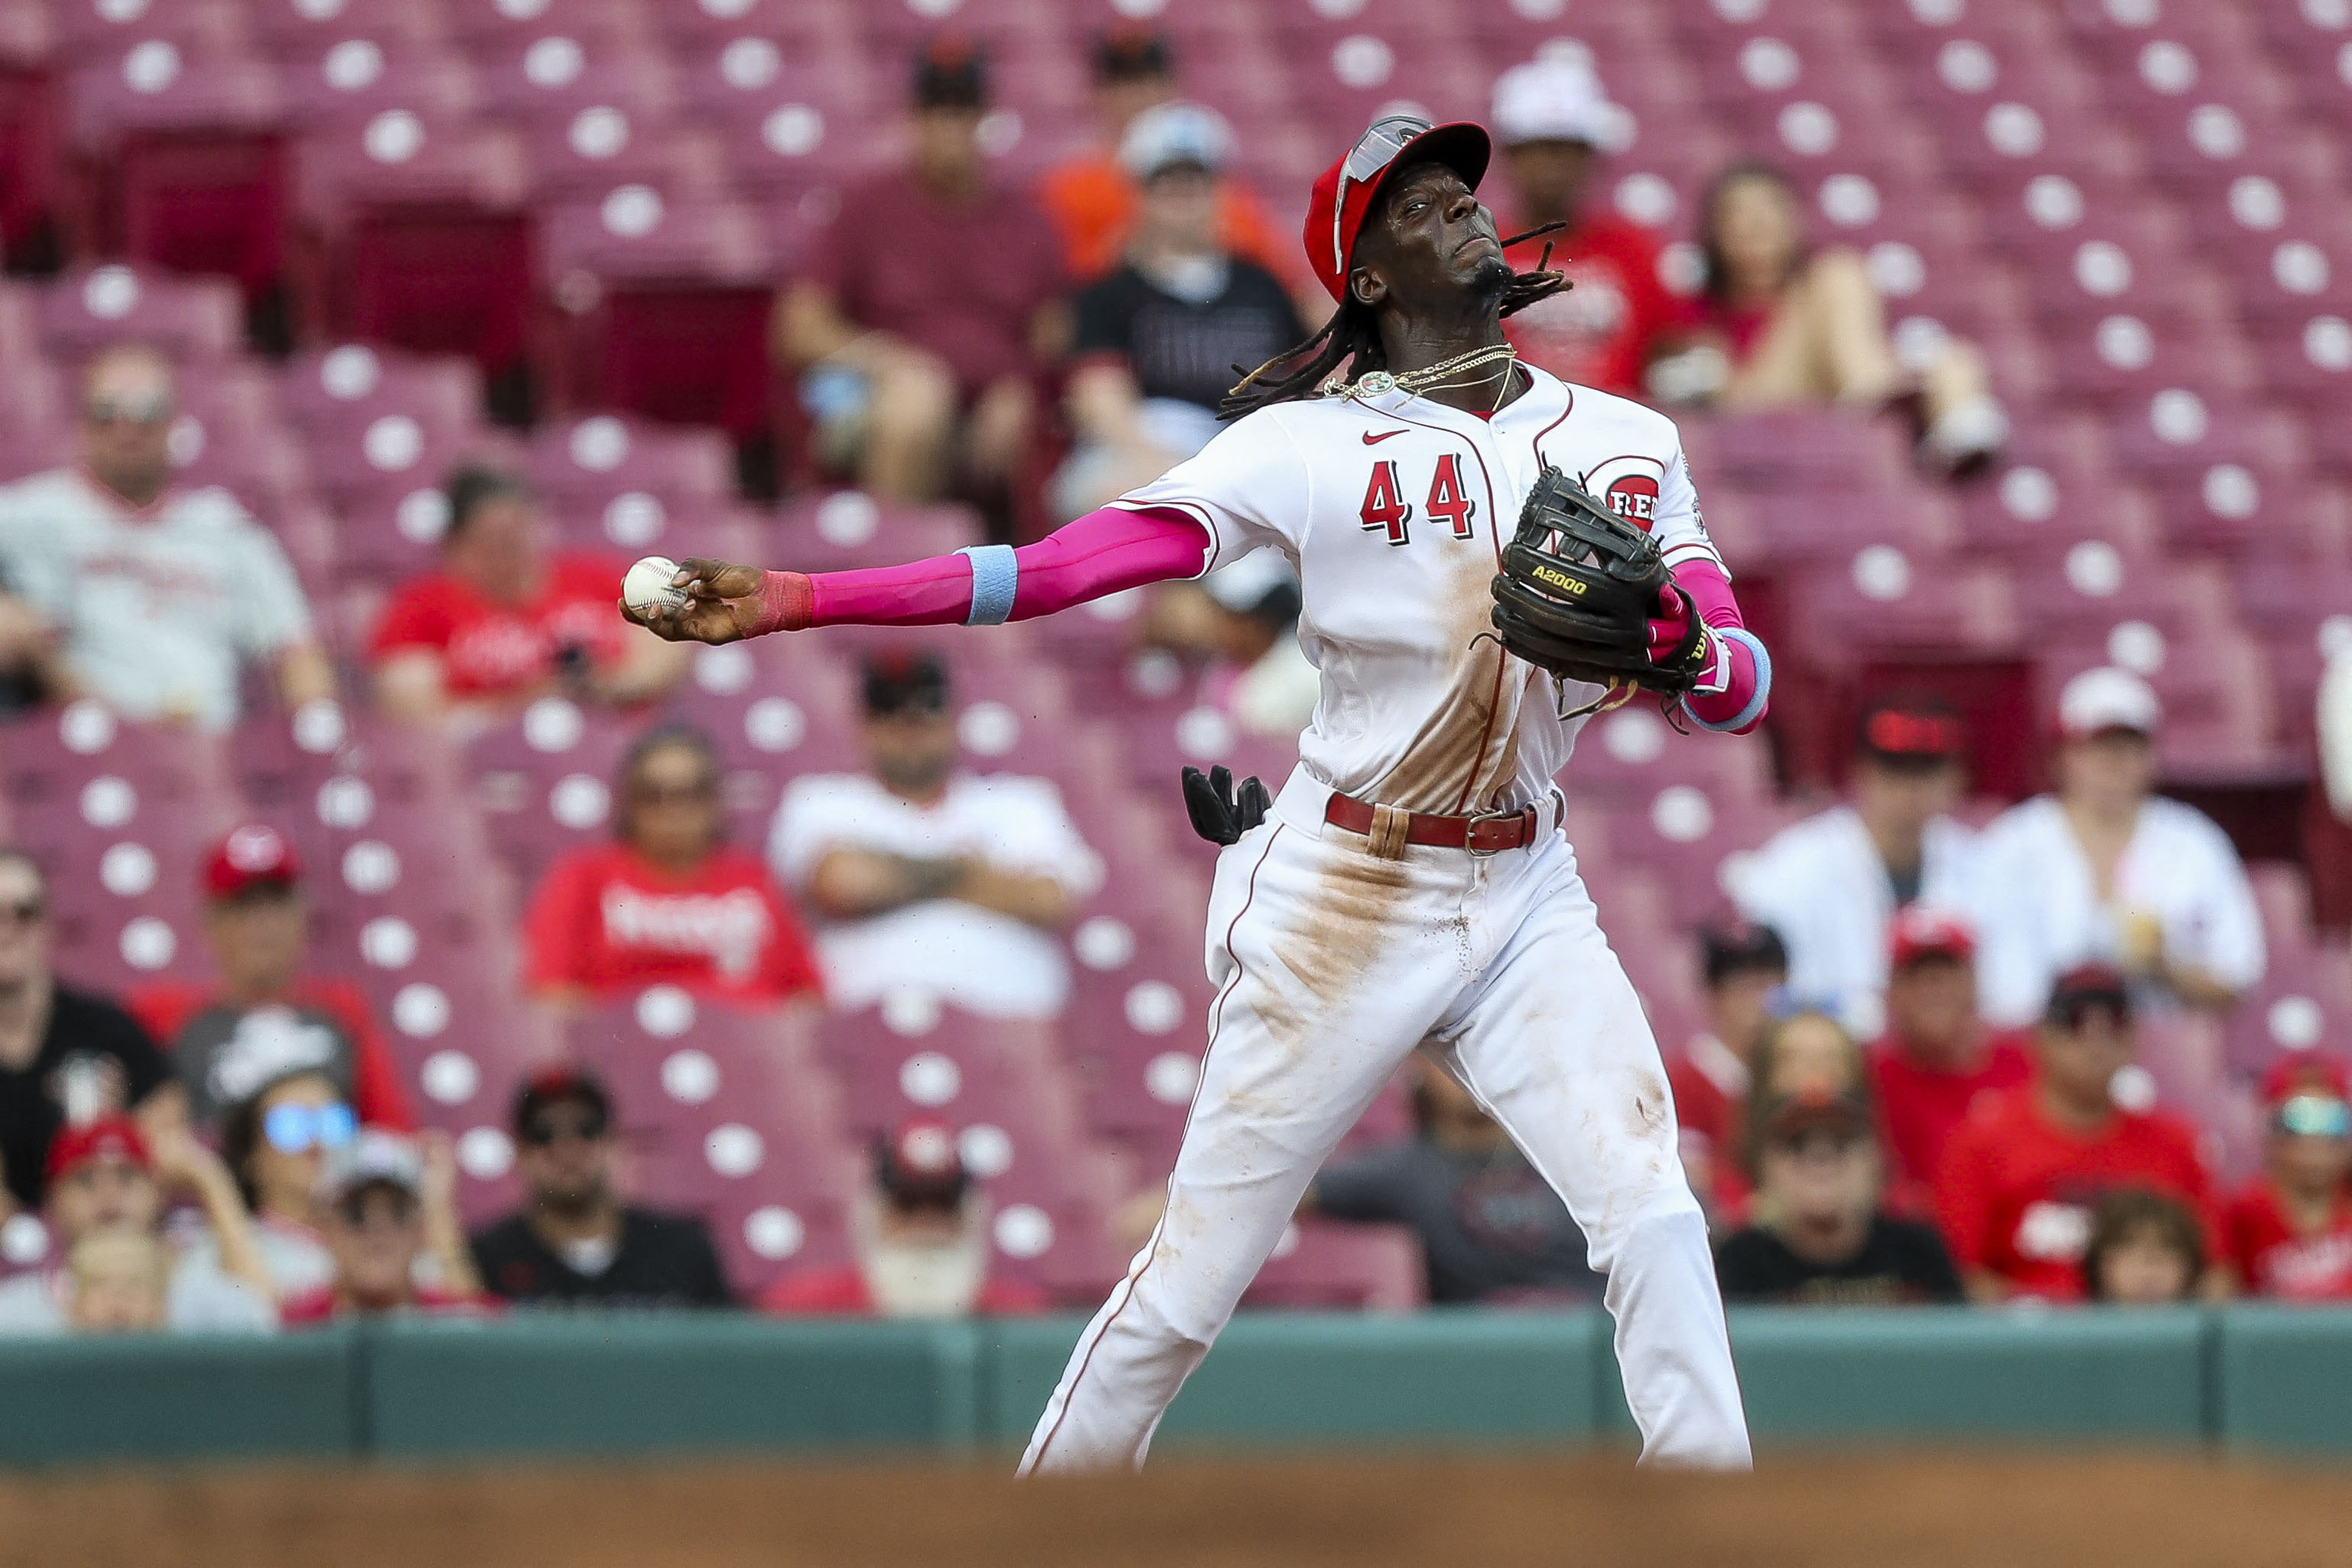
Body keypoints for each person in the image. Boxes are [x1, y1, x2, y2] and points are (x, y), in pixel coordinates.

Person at [629, 111, 1774, 1471]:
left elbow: (1738, 677)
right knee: (1186, 1291)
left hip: (1527, 884)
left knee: (1651, 1209)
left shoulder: (1627, 440)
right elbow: (1053, 570)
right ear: (1361, 277)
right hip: (1348, 888)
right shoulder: (1304, 445)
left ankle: (1709, 1522)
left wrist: (1678, 646)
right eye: (1410, 204)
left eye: (1456, 189)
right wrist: (800, 596)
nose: (1457, 208)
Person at [774, 37, 1067, 514]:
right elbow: (799, 328)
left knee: (1030, 430)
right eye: (936, 110)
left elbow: (1055, 336)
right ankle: (894, 576)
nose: (949, 126)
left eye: (962, 111)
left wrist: (1021, 387)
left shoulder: (1026, 220)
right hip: (879, 398)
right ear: (914, 117)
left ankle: (1014, 582)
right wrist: (889, 361)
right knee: (916, 406)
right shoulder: (868, 206)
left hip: (989, 405)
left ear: (982, 119)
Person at [0, 344, 335, 730]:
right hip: (85, 747)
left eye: (146, 411)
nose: (127, 428)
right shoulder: (29, 514)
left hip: (209, 754)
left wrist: (315, 736)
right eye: (107, 411)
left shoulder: (226, 530)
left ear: (173, 423)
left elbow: (296, 650)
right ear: (83, 422)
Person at [769, 651, 1099, 1020]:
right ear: (865, 724)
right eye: (890, 710)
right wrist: (970, 871)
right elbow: (844, 886)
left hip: (1012, 1022)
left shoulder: (1019, 802)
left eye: (928, 709)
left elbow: (1047, 899)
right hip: (868, 1029)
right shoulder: (821, 799)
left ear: (952, 718)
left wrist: (895, 874)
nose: (910, 727)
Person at [1052, 102, 1309, 521]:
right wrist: (1179, 473)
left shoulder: (1262, 284)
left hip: (1249, 448)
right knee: (1106, 491)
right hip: (1148, 449)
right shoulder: (1109, 291)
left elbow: (1312, 373)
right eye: (1167, 183)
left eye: (1196, 182)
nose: (1183, 198)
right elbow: (1098, 399)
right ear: (1139, 193)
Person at [1969, 668, 2265, 1027]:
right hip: (2035, 1046)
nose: (2113, 761)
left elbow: (2236, 976)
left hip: (2160, 1044)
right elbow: (1977, 972)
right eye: (2098, 747)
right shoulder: (2013, 842)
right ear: (2062, 756)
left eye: (2129, 747)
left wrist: (2164, 967)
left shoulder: (2193, 843)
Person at [1671, 162, 2007, 475]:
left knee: (1956, 362)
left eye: (1769, 211)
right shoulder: (1699, 311)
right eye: (1739, 214)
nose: (1757, 225)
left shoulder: (1812, 293)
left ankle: (1943, 434)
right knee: (1838, 273)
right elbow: (1723, 398)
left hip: (1832, 391)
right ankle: (1883, 400)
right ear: (1714, 232)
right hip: (1760, 407)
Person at [1935, 964, 2218, 1304]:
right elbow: (1958, 1276)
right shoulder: (1980, 1143)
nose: (2095, 1039)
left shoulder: (2177, 1143)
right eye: (2075, 1021)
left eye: (2112, 1023)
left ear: (2132, 1039)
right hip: (2025, 1344)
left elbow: (2217, 1273)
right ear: (2041, 1037)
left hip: (2146, 1340)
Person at [129, 825, 413, 1136]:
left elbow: (392, 1136)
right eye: (244, 905)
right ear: (210, 922)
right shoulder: (162, 1017)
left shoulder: (344, 1011)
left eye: (276, 902)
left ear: (302, 914)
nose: (264, 923)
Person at [522, 727, 823, 1012]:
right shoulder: (585, 875)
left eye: (691, 793)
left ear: (716, 800)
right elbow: (551, 991)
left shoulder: (753, 877)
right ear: (629, 803)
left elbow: (806, 995)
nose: (674, 811)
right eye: (655, 795)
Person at [370, 465, 685, 730]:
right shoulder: (420, 606)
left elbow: (665, 646)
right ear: (456, 545)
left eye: (518, 534)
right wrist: (531, 700)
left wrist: (603, 688)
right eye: (492, 540)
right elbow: (414, 712)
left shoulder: (594, 577)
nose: (509, 551)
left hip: (611, 734)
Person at [1733, 698, 1978, 1038]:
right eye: (1894, 771)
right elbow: (1767, 999)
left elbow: (2011, 999)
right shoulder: (1794, 866)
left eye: (1926, 772)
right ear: (1861, 772)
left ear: (1956, 779)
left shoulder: (1984, 864)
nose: (1909, 790)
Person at [1304, 1055, 1603, 1304]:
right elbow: (1285, 1196)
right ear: (1421, 1069)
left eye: (1482, 1057)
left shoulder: (1577, 1154)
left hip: (1593, 1347)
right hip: (1475, 1357)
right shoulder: (1408, 1171)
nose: (1468, 1074)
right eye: (1450, 1061)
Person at [1489, 56, 1685, 401]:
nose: (1554, 165)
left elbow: (1671, 349)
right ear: (1510, 156)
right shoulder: (1481, 250)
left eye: (1568, 150)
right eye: (1538, 149)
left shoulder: (1633, 248)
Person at [0, 850, 181, 1215]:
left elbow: (169, 1136)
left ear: (48, 925)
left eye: (24, 913)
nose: (7, 930)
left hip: (101, 1241)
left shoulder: (106, 1027)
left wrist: (119, 1134)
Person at [1037, 24, 1290, 285]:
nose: (1136, 96)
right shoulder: (1067, 189)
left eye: (1149, 81)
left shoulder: (1217, 187)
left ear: (1172, 87)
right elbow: (1055, 289)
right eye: (1123, 83)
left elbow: (1283, 278)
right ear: (1098, 94)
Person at [470, 1067, 734, 1307]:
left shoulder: (683, 1248)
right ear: (520, 1153)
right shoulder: (484, 1257)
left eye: (587, 1129)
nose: (567, 1149)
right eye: (543, 1134)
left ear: (614, 1143)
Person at [0, 1114, 276, 1333]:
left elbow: (266, 1328)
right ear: (53, 1200)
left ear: (158, 1193)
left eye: (126, 1177)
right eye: (85, 1180)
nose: (108, 1196)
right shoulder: (14, 1311)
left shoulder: (201, 1290)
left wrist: (209, 1180)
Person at [763, 1116, 1046, 1318]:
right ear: (871, 1216)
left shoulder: (1020, 1317)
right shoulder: (808, 1311)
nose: (927, 1225)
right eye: (907, 1207)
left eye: (944, 1208)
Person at [1715, 1088, 1962, 1305]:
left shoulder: (1918, 1253)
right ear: (1764, 1169)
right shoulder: (1738, 1264)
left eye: (1841, 1142)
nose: (1820, 1158)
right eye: (1797, 1144)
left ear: (1875, 1161)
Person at [1866, 906, 2032, 1210]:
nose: (1933, 989)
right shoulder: (1869, 1076)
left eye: (1946, 973)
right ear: (1891, 991)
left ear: (1974, 982)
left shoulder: (2026, 1065)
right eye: (1916, 976)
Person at [280, 1129, 484, 1323]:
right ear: (324, 1226)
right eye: (356, 1213)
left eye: (398, 1212)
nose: (378, 1231)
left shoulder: (470, 1330)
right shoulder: (291, 1334)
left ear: (423, 1229)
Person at [1666, 921, 1787, 1221]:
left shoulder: (1798, 1067)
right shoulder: (1685, 1079)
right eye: (1740, 988)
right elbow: (1695, 1179)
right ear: (1711, 995)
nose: (1756, 1002)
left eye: (1766, 985)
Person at [1137, 549, 1319, 739]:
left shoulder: (1300, 676)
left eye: (1228, 616)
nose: (1217, 622)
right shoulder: (1221, 662)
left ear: (1257, 624)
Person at [2224, 1055, 2352, 1301]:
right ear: (2269, 1130)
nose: (2316, 1137)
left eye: (2334, 1120)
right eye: (2297, 1120)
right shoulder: (2244, 1212)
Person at [2081, 1187, 2205, 1305]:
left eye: (2161, 1258)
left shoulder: (2212, 1315)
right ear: (2098, 1265)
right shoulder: (2075, 1320)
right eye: (2130, 1258)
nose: (2147, 1273)